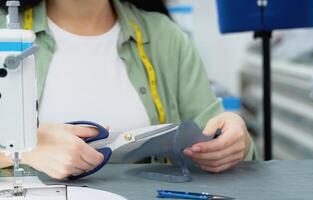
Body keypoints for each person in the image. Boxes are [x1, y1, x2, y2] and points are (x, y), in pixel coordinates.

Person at [0, 0, 257, 180]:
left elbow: (212, 136)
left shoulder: (165, 36)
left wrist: (235, 139)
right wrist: (23, 151)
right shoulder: (6, 34)